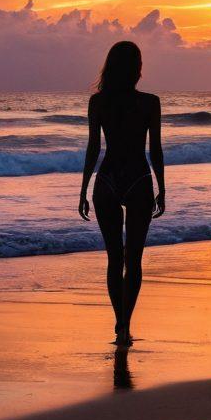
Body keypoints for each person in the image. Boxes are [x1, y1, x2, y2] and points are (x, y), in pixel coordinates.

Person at [78, 40, 165, 346]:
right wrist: (162, 187)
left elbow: (93, 149)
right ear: (136, 68)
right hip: (138, 178)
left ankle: (120, 323)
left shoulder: (98, 102)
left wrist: (83, 189)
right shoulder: (150, 103)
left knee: (114, 259)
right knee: (134, 259)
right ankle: (126, 323)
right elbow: (155, 150)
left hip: (108, 179)